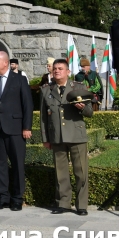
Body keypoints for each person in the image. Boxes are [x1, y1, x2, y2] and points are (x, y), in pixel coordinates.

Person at [0, 51, 33, 211]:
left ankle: (17, 198)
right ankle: (2, 198)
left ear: (5, 62)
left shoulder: (20, 79)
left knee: (17, 164)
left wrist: (27, 127)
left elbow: (28, 105)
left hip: (16, 129)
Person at [42, 59, 92, 215]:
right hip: (57, 136)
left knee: (81, 172)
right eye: (55, 69)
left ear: (68, 72)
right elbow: (43, 117)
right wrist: (45, 138)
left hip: (76, 135)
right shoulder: (46, 90)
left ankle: (81, 205)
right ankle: (63, 204)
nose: (57, 71)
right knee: (60, 173)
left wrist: (83, 108)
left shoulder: (79, 87)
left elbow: (90, 112)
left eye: (60, 68)